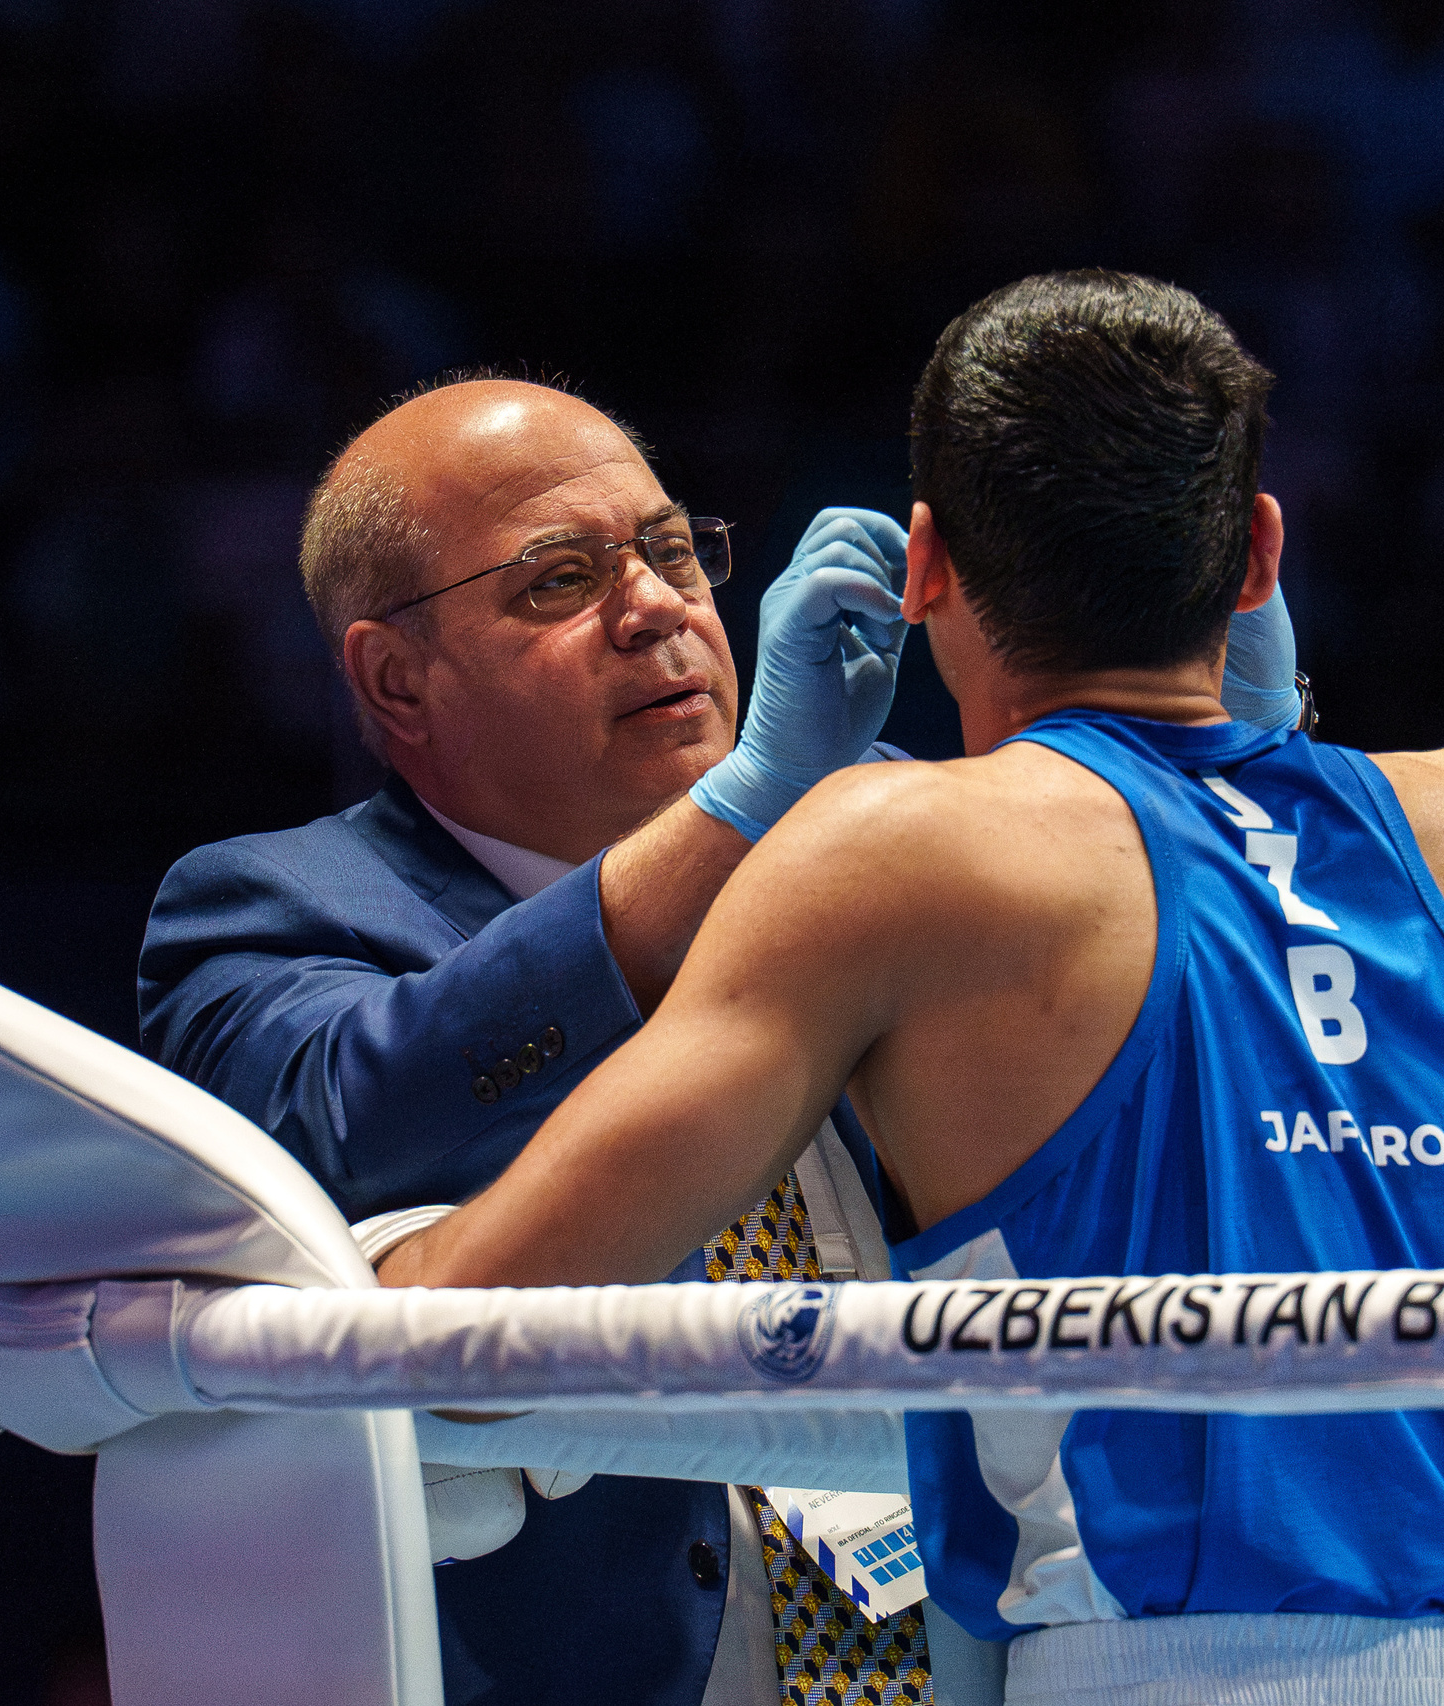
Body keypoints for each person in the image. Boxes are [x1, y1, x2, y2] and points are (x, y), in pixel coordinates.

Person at [377, 276, 1444, 1705]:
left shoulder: (896, 850)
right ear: (1255, 556)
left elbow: (480, 1324)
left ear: (923, 565)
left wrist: (282, 1293)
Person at [140, 368, 1313, 1704]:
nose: (654, 607)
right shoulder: (267, 905)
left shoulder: (884, 835)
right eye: (559, 579)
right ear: (397, 680)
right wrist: (742, 813)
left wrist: (1236, 782)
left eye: (672, 551)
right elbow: (352, 1108)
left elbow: (1227, 1053)